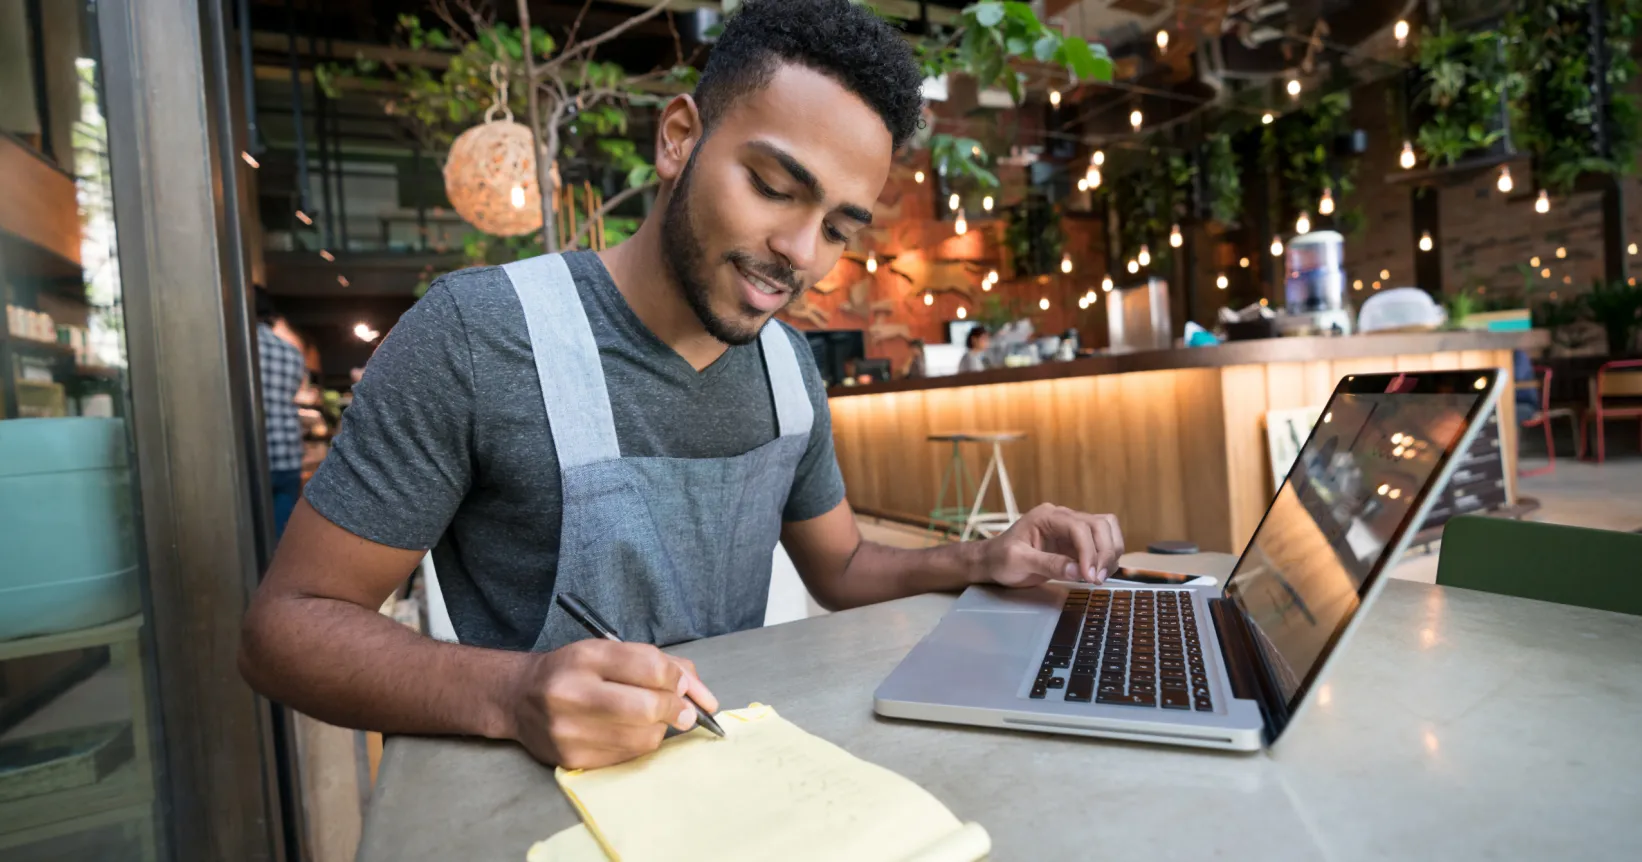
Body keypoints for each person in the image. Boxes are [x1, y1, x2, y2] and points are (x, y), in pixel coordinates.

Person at [240, 0, 1124, 772]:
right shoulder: (480, 337)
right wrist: (514, 693)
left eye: (839, 229)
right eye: (776, 187)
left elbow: (843, 567)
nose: (801, 253)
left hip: (726, 784)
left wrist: (984, 557)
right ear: (677, 138)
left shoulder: (787, 369)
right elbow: (285, 631)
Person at [255, 287, 306, 540]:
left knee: (252, 533)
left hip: (253, 453)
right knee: (282, 533)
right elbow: (295, 391)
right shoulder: (291, 353)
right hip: (286, 450)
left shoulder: (234, 351)